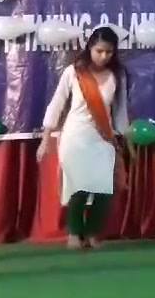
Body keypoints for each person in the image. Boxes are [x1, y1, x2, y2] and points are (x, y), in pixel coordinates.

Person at [37, 26, 130, 250]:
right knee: (78, 186)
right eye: (99, 51)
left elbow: (120, 111)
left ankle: (93, 233)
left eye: (109, 52)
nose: (104, 56)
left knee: (103, 189)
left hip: (103, 138)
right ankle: (74, 233)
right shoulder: (74, 72)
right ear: (90, 48)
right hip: (75, 137)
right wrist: (45, 139)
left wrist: (124, 141)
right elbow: (57, 104)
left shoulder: (117, 75)